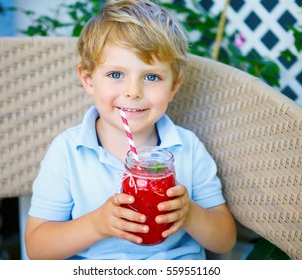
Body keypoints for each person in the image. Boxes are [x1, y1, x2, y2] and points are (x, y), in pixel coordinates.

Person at [25, 0, 236, 260]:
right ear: (88, 79)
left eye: (151, 77)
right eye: (116, 75)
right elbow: (36, 247)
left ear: (173, 87)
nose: (133, 92)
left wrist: (191, 214)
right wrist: (96, 225)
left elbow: (225, 240)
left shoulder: (187, 147)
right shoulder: (68, 152)